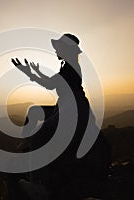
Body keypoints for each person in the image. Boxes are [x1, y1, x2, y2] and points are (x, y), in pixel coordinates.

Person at [11, 34, 111, 199]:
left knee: (38, 135)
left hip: (71, 110)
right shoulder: (68, 66)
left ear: (66, 49)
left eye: (59, 47)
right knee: (34, 110)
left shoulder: (70, 66)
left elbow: (50, 84)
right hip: (66, 107)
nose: (56, 50)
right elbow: (52, 83)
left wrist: (30, 72)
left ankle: (38, 184)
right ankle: (28, 141)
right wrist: (33, 73)